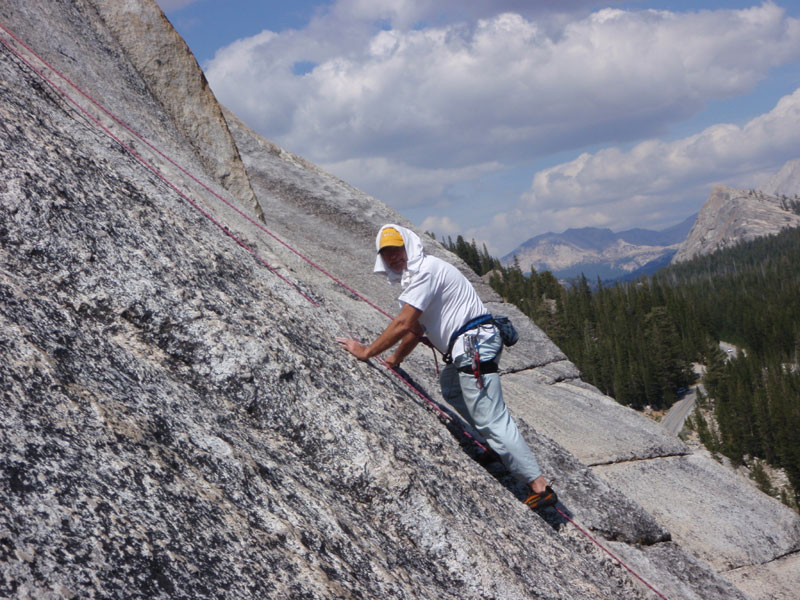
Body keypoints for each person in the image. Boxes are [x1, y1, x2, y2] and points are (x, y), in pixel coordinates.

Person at [337, 224, 557, 511]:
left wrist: (366, 352)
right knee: (452, 389)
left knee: (491, 418)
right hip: (472, 345)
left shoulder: (425, 271)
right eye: (387, 253)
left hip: (472, 346)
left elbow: (404, 323)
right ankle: (494, 445)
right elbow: (415, 329)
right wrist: (394, 361)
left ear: (409, 247)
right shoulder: (420, 274)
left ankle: (539, 486)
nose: (394, 258)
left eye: (397, 250)